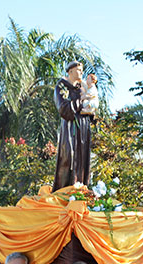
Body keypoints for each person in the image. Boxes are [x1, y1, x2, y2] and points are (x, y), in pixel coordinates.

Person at [53, 61, 94, 190]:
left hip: (83, 128)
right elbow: (63, 108)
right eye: (79, 70)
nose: (81, 72)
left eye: (82, 70)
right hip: (70, 128)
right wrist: (81, 102)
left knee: (83, 160)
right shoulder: (61, 86)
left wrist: (90, 110)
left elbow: (91, 108)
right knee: (69, 159)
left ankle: (81, 188)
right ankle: (65, 191)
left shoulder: (82, 88)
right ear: (70, 71)